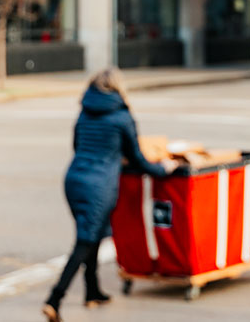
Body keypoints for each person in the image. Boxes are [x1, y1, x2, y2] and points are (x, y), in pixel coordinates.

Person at [43, 68, 177, 322]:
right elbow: (138, 159)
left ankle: (92, 292)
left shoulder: (84, 112)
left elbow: (77, 146)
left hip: (74, 180)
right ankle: (54, 299)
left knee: (90, 235)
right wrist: (163, 169)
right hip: (99, 185)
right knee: (85, 241)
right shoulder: (122, 116)